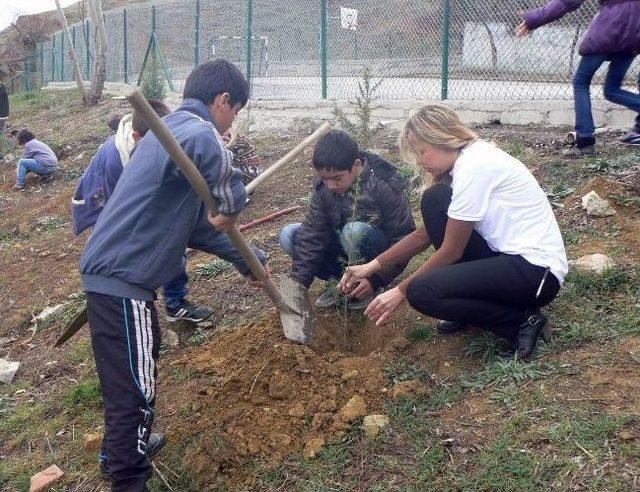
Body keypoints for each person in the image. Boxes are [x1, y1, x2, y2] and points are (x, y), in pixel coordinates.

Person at [79, 59, 269, 491]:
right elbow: (218, 170)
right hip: (124, 278)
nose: (229, 124)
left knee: (130, 372)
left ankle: (120, 450)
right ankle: (129, 479)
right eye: (234, 113)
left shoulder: (168, 139)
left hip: (115, 274)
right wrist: (232, 198)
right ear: (223, 101)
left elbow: (199, 227)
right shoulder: (192, 131)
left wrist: (247, 259)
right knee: (136, 386)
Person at [340, 106, 568, 359]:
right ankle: (470, 310)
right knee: (435, 201)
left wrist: (400, 291)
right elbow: (425, 234)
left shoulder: (475, 166)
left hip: (536, 275)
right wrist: (372, 266)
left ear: (442, 139)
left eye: (422, 152)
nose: (420, 161)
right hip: (511, 263)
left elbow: (451, 251)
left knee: (420, 292)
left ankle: (519, 322)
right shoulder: (467, 162)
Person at [71, 99, 214, 323]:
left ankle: (174, 303)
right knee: (127, 256)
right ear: (138, 137)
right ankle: (118, 296)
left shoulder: (155, 142)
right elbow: (118, 213)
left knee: (171, 238)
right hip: (99, 203)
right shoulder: (116, 159)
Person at [280, 129, 415, 309]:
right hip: (344, 255)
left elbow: (403, 237)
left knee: (354, 231)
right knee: (289, 235)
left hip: (377, 258)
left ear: (356, 165)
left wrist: (375, 279)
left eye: (337, 178)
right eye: (324, 178)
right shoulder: (324, 190)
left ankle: (365, 287)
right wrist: (298, 285)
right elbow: (313, 236)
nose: (330, 185)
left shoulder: (382, 184)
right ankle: (343, 286)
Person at [517, 0, 640, 155]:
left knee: (581, 82)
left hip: (611, 27)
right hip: (635, 33)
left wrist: (534, 18)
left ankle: (585, 141)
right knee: (612, 89)